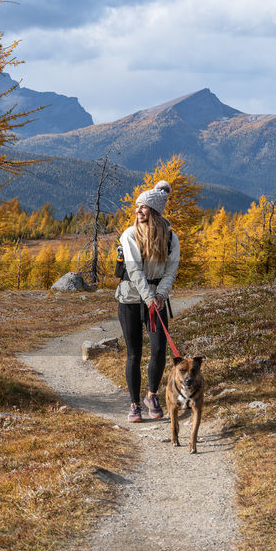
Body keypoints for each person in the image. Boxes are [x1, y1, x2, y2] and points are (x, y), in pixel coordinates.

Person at [116, 180, 180, 423]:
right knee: (134, 353)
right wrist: (149, 297)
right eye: (137, 207)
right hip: (131, 298)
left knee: (159, 349)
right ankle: (134, 404)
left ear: (154, 211)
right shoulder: (129, 235)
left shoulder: (171, 238)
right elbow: (134, 271)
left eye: (143, 207)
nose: (138, 211)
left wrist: (160, 296)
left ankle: (151, 394)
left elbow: (170, 272)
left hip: (157, 300)